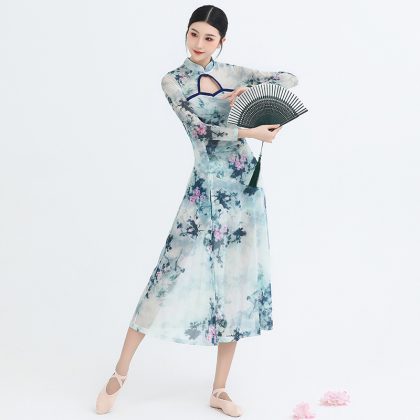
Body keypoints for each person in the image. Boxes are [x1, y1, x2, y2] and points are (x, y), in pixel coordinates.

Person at [95, 4, 298, 417]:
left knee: (237, 283)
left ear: (222, 41)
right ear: (186, 34)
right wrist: (248, 129)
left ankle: (219, 389)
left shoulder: (233, 72)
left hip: (243, 187)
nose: (200, 43)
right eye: (194, 34)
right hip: (205, 187)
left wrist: (247, 95)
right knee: (166, 274)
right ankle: (119, 373)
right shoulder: (173, 80)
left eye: (209, 37)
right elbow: (199, 130)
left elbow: (289, 80)